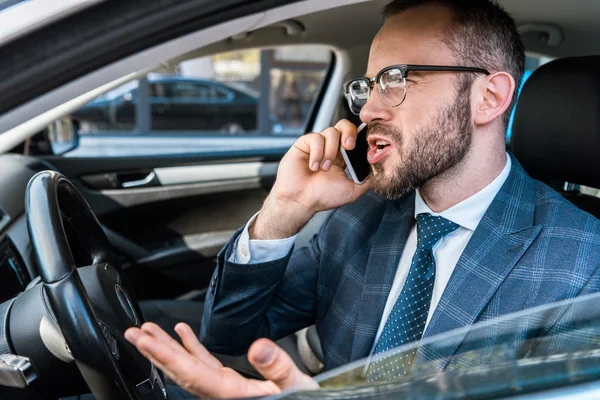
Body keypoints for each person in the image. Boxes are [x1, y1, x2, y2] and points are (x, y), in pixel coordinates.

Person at [126, 0, 600, 397]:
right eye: (367, 86)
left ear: (489, 98)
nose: (368, 110)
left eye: (395, 80)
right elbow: (227, 334)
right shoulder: (363, 214)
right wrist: (284, 211)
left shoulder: (583, 265)